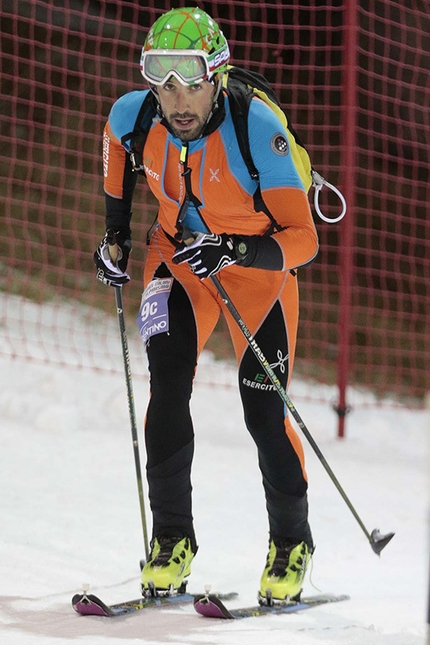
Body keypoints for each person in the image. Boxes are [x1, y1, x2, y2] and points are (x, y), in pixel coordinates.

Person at [94, 6, 318, 604]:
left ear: (216, 75)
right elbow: (117, 145)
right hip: (178, 261)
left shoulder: (255, 127)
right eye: (162, 80)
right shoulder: (135, 116)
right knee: (167, 383)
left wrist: (238, 248)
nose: (178, 98)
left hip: (256, 274)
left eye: (191, 79)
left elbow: (304, 240)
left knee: (262, 410)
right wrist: (116, 233)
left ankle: (292, 543)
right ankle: (171, 541)